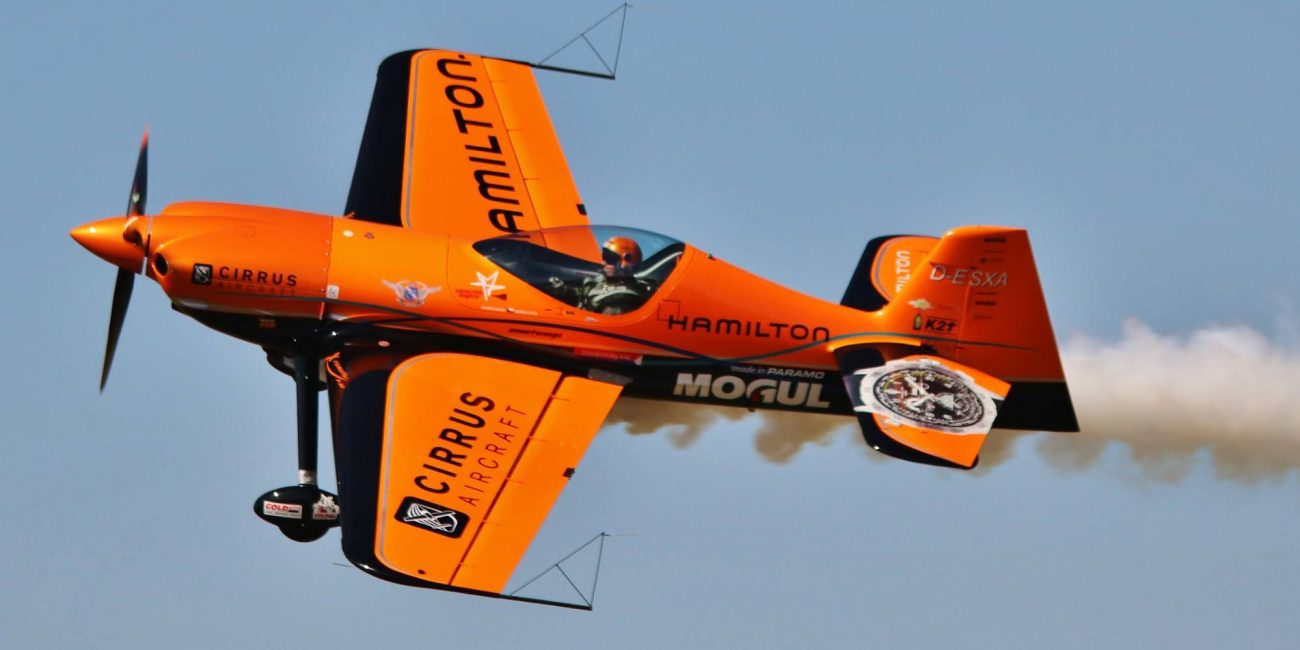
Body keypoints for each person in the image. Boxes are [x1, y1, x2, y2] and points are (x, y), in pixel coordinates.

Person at [549, 236, 653, 314]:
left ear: (626, 262)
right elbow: (586, 296)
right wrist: (564, 290)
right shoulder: (601, 282)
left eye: (609, 259)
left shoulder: (623, 301)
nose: (603, 263)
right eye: (604, 257)